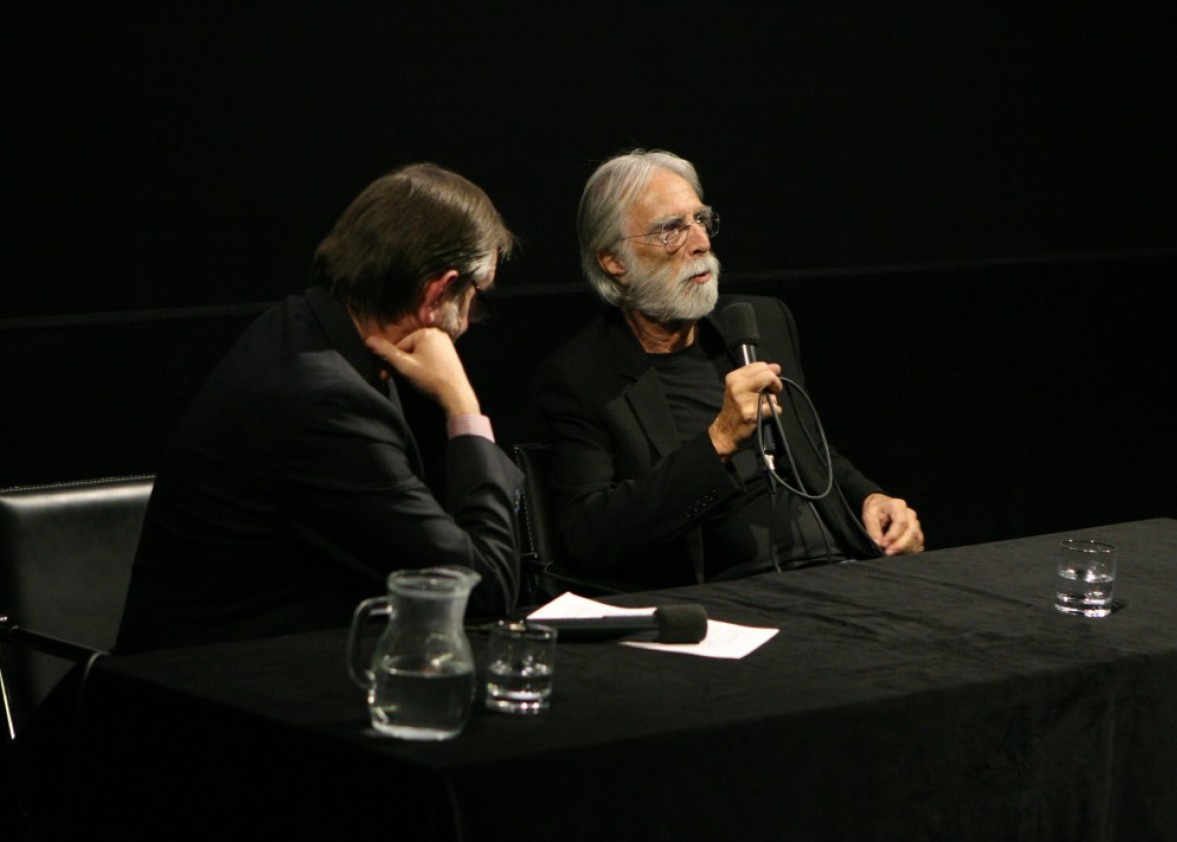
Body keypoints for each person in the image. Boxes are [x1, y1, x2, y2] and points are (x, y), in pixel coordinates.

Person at [116, 163, 524, 652]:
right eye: (476, 301)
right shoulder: (327, 401)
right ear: (436, 292)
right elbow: (485, 590)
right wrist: (464, 408)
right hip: (205, 692)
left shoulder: (302, 326)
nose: (473, 321)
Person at [533, 148, 924, 590]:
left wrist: (871, 498)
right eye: (671, 229)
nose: (700, 242)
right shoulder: (583, 377)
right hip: (727, 596)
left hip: (842, 567)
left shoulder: (760, 323)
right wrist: (717, 440)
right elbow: (590, 538)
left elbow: (812, 451)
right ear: (613, 261)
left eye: (700, 220)